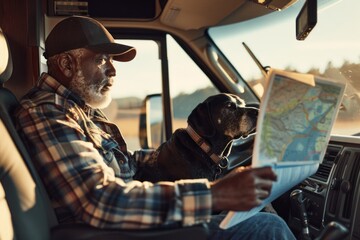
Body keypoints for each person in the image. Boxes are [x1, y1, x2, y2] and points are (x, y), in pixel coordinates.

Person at [14, 16, 295, 239]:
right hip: (114, 232)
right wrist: (215, 193)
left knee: (258, 207)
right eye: (102, 59)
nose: (113, 70)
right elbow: (99, 200)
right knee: (265, 228)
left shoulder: (83, 112)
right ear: (66, 63)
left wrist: (180, 150)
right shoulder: (46, 112)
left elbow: (124, 162)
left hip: (130, 224)